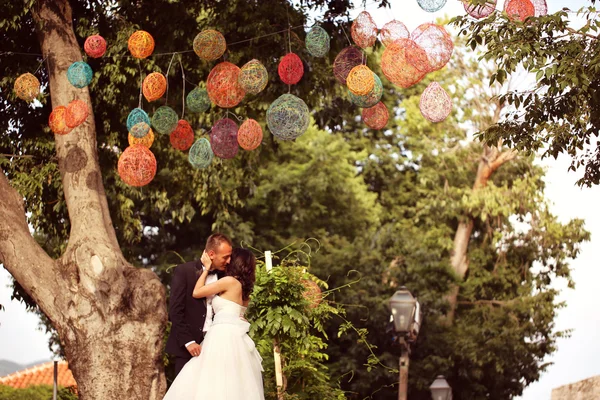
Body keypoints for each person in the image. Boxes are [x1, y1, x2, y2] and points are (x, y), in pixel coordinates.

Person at [163, 247, 264, 400]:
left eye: (231, 258)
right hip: (235, 337)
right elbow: (240, 313)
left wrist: (206, 270)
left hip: (221, 336)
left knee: (210, 380)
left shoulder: (229, 281)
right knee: (230, 381)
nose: (228, 260)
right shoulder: (244, 288)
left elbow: (197, 292)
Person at [165, 233, 233, 376]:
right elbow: (175, 311)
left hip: (215, 346)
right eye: (225, 257)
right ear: (212, 254)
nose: (229, 261)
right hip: (188, 349)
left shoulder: (226, 277)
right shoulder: (184, 271)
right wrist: (188, 342)